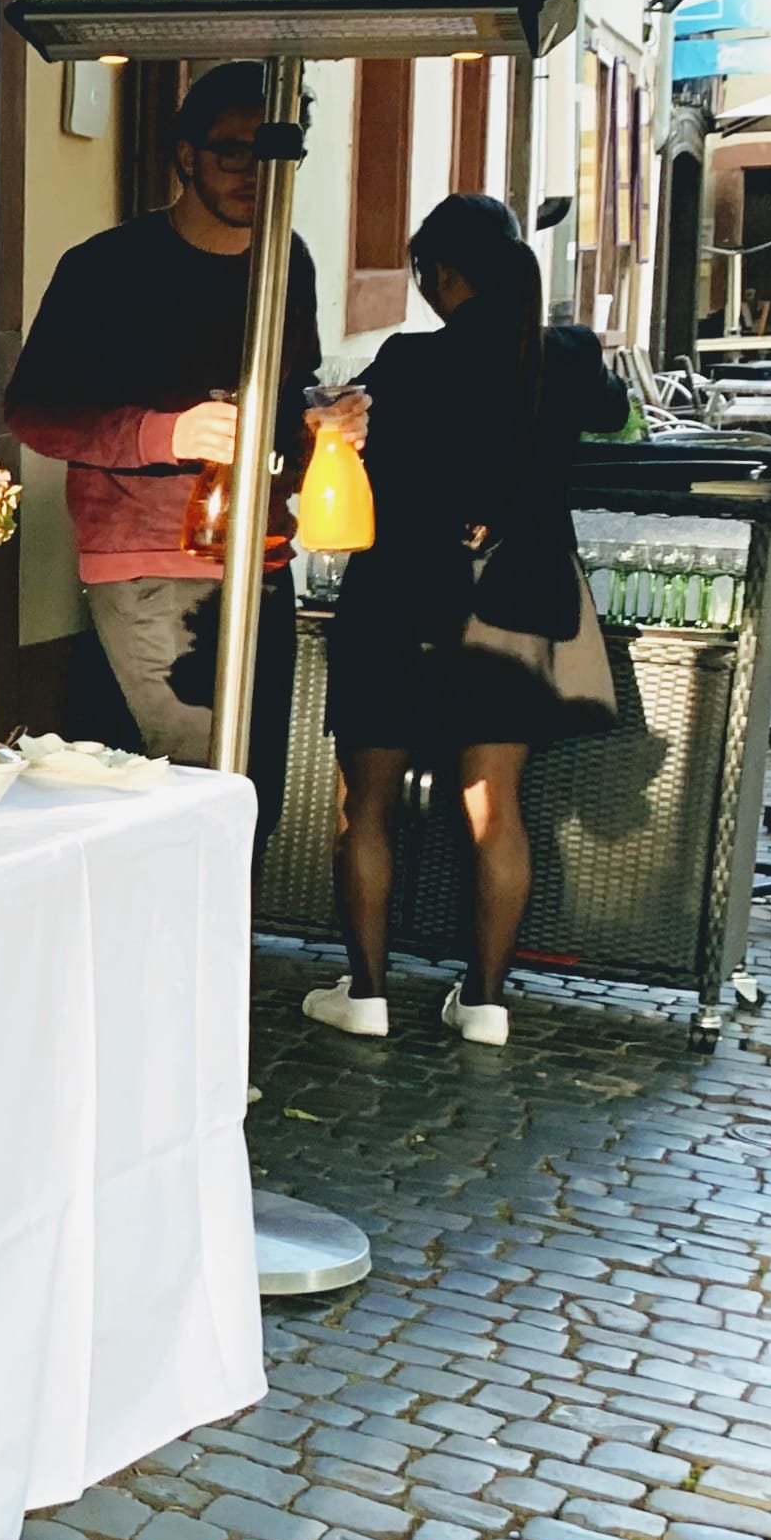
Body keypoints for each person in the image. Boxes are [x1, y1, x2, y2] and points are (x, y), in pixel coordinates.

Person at [303, 195, 633, 1048]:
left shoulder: (407, 360)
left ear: (445, 274)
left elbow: (344, 435)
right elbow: (615, 417)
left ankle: (367, 994)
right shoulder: (563, 354)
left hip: (396, 603)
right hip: (512, 610)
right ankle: (486, 1004)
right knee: (497, 810)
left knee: (367, 805)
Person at [5, 64, 339, 839]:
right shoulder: (106, 268)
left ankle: (228, 959)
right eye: (234, 154)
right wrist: (166, 433)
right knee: (201, 786)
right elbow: (33, 412)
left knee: (256, 796)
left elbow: (294, 395)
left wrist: (325, 420)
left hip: (262, 552)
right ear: (185, 156)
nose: (256, 176)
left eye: (278, 158)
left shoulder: (289, 261)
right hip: (148, 559)